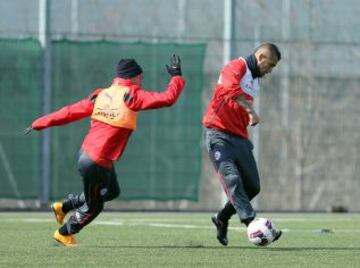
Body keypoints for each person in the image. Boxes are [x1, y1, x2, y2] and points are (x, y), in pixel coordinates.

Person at [25, 55, 185, 247]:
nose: (142, 80)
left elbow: (68, 112)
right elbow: (168, 99)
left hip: (92, 156)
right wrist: (176, 76)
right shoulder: (132, 95)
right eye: (140, 77)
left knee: (111, 191)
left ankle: (64, 206)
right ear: (131, 77)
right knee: (94, 207)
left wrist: (39, 123)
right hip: (96, 162)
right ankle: (64, 233)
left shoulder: (101, 95)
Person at [203, 43, 282, 246]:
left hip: (239, 138)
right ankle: (251, 223)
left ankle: (222, 217)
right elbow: (230, 89)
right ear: (261, 57)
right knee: (233, 179)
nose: (270, 70)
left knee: (253, 186)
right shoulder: (236, 67)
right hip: (218, 135)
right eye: (270, 65)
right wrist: (250, 111)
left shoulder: (254, 79)